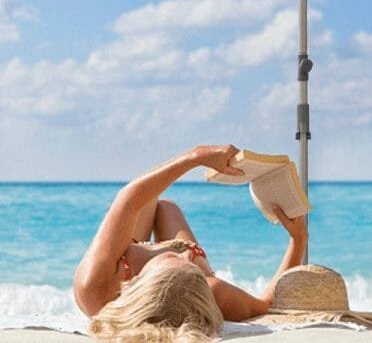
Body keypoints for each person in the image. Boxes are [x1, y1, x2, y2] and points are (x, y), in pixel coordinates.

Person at [74, 144, 308, 342]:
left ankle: (143, 241)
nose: (184, 254)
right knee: (167, 208)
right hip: (184, 287)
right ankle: (181, 253)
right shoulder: (209, 291)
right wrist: (298, 240)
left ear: (139, 280)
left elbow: (127, 200)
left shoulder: (95, 289)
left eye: (173, 259)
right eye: (192, 265)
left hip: (124, 261)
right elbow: (267, 304)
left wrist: (195, 157)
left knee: (146, 203)